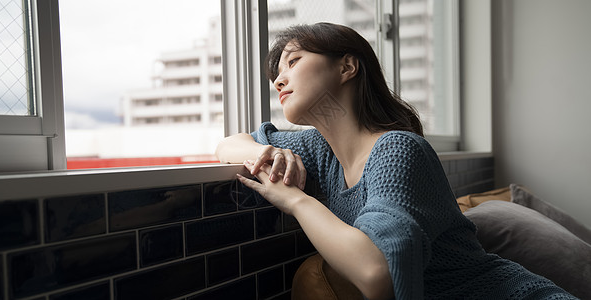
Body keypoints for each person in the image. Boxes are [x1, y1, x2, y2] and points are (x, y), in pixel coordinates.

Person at [215, 23, 575, 300]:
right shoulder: (320, 149)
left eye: (294, 61)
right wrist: (271, 153)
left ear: (348, 67)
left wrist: (296, 200)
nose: (279, 79)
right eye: (277, 73)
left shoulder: (398, 150)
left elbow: (377, 274)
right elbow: (229, 144)